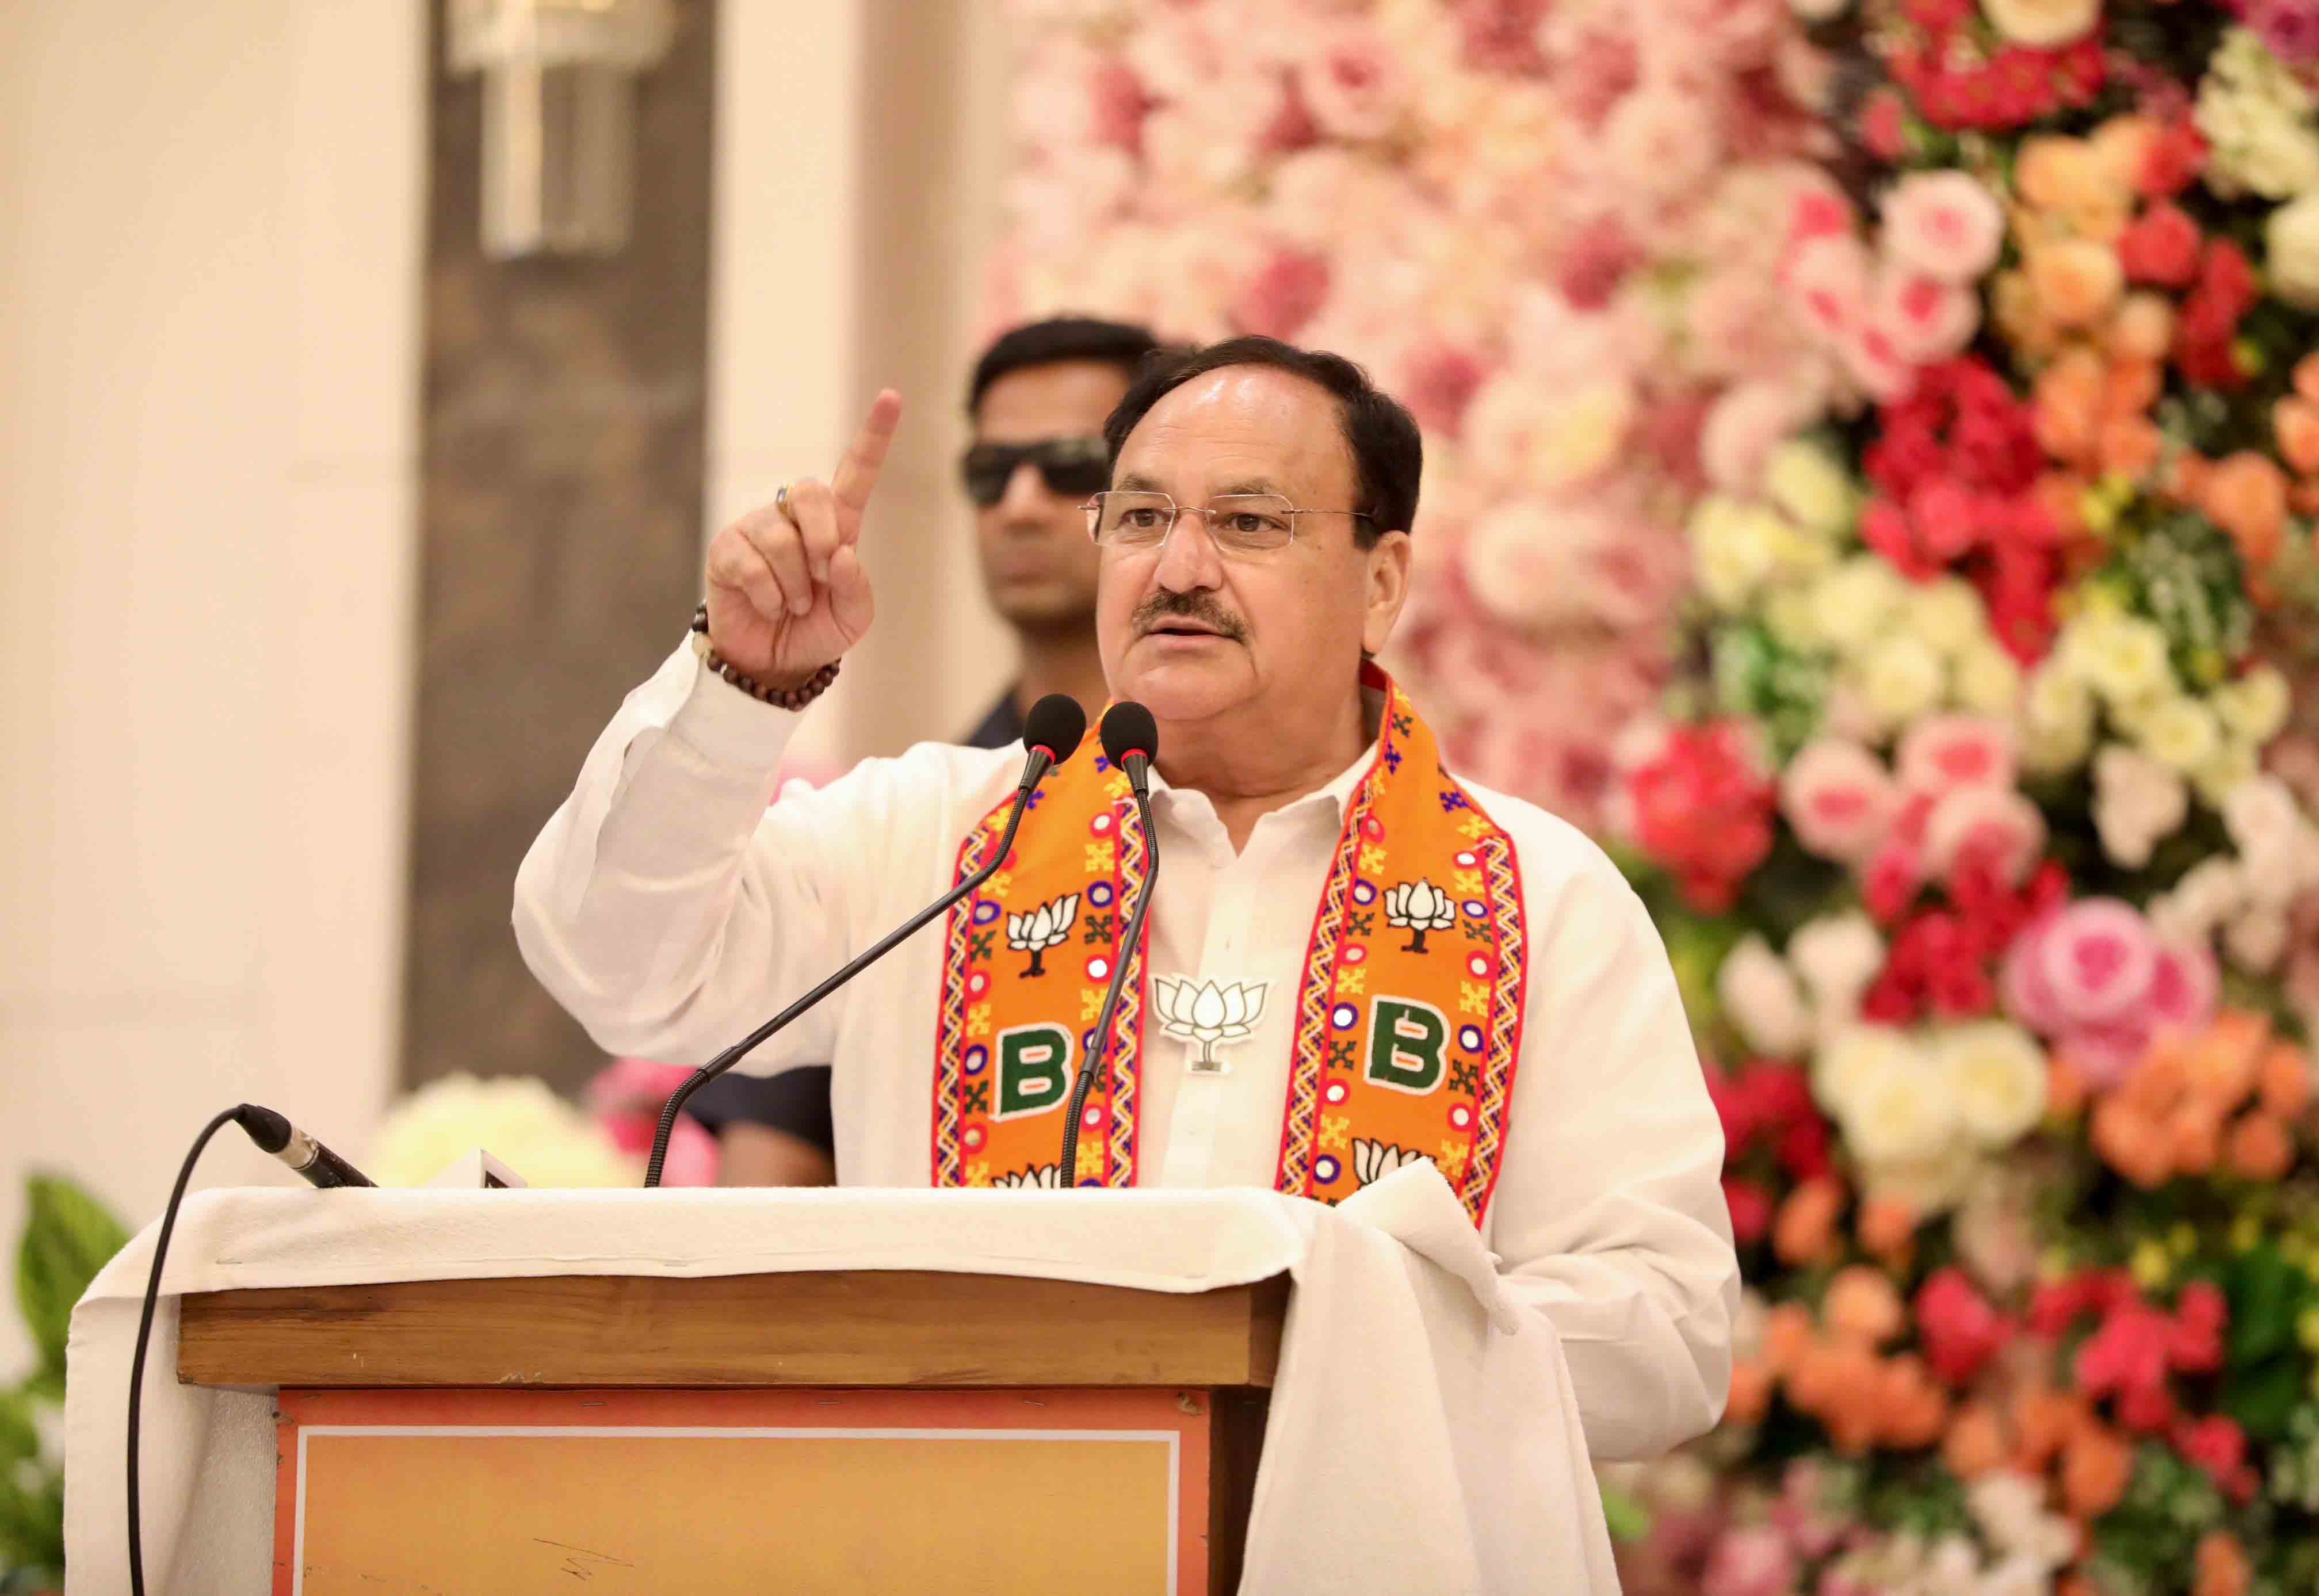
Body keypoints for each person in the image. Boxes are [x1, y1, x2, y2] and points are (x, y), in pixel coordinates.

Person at [515, 337, 1737, 1463]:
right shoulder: (939, 842)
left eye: (1248, 522)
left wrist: (1340, 1343)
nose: (1179, 568)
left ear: (1380, 581)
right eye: (1142, 516)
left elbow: (1668, 1327)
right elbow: (620, 964)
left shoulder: (1537, 894)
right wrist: (737, 691)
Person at [692, 315, 1160, 1186]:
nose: (1020, 504)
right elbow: (762, 1193)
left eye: (1070, 469)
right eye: (990, 473)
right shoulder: (925, 832)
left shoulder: (1246, 799)